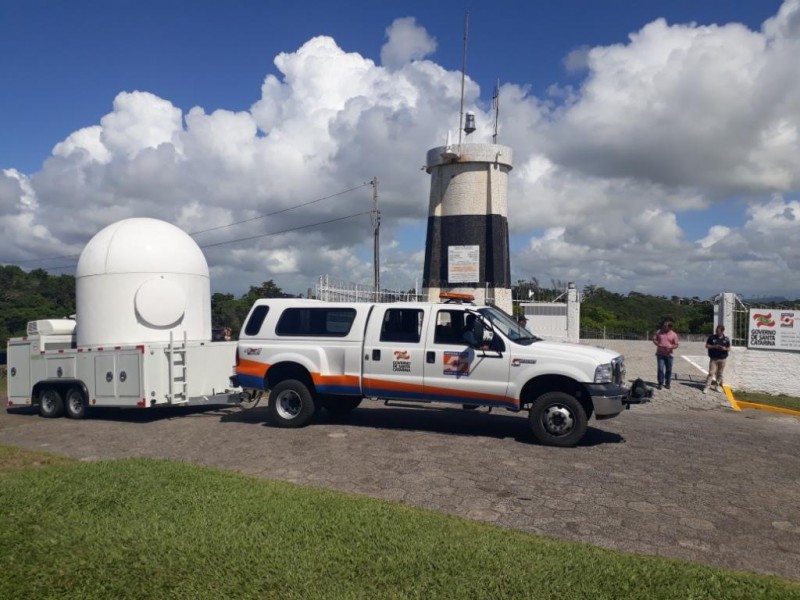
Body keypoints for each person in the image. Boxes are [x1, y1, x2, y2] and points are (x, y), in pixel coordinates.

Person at [652, 319, 679, 390]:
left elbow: (676, 345)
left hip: (669, 355)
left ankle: (667, 383)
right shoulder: (659, 332)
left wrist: (671, 347)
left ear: (669, 327)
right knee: (660, 369)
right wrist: (657, 344)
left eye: (665, 326)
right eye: (663, 326)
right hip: (660, 354)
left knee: (668, 370)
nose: (663, 327)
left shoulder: (674, 335)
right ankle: (660, 383)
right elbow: (654, 339)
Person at [703, 325, 731, 394]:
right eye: (716, 331)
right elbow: (706, 346)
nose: (716, 332)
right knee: (711, 373)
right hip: (714, 358)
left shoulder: (726, 339)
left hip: (722, 359)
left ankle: (717, 386)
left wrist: (724, 348)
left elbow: (729, 348)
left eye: (718, 331)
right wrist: (714, 346)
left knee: (720, 373)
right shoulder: (712, 337)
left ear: (722, 331)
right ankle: (707, 387)